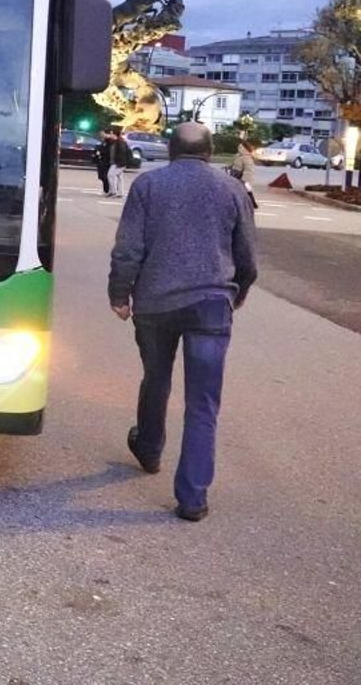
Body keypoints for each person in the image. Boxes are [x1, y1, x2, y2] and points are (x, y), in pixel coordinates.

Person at [108, 122, 257, 522]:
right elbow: (247, 254)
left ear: (170, 151)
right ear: (210, 152)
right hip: (211, 303)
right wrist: (238, 290)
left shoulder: (147, 186)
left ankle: (150, 448)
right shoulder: (231, 189)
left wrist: (119, 295)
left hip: (156, 304)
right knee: (203, 402)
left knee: (156, 377)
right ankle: (193, 498)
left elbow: (128, 249)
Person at [228, 135, 259, 210]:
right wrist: (230, 167)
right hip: (235, 174)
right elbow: (235, 164)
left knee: (246, 191)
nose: (239, 148)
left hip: (241, 176)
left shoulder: (247, 158)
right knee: (237, 190)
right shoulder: (239, 156)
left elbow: (248, 170)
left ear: (244, 148)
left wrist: (244, 179)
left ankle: (251, 203)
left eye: (240, 147)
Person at [106, 128, 130, 198]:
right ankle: (120, 193)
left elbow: (122, 154)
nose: (110, 135)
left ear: (115, 134)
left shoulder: (120, 142)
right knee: (119, 177)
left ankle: (114, 192)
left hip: (118, 163)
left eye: (111, 134)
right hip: (116, 162)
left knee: (110, 175)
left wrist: (121, 164)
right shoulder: (115, 141)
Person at [93, 127, 113, 196]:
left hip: (106, 161)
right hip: (101, 161)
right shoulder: (103, 141)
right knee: (101, 176)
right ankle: (106, 190)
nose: (101, 135)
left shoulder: (109, 141)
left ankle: (107, 190)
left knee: (105, 176)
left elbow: (108, 151)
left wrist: (100, 152)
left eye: (102, 134)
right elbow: (100, 148)